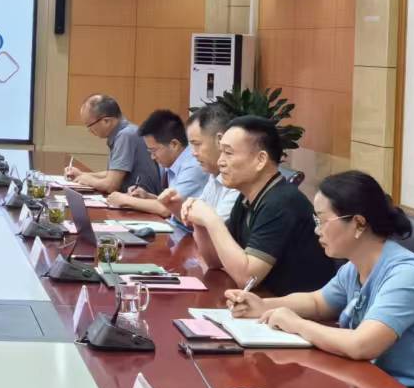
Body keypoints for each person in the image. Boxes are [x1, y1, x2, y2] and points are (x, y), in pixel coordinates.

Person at [224, 171, 414, 388]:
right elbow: (318, 302)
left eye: (322, 221)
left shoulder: (407, 276)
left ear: (358, 224)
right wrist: (263, 306)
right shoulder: (355, 267)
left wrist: (296, 324)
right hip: (377, 383)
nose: (317, 230)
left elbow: (362, 345)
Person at [180, 115, 331, 294]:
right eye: (221, 152)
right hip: (264, 300)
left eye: (228, 153)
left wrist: (211, 219)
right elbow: (215, 261)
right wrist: (199, 223)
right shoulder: (246, 198)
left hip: (292, 307)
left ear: (260, 160)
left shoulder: (281, 202)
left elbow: (247, 279)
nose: (220, 161)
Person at [104, 109, 208, 218]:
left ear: (174, 145)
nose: (152, 157)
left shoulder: (193, 166)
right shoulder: (174, 163)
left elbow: (167, 210)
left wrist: (126, 200)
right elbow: (170, 204)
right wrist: (147, 196)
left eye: (154, 151)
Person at [64, 93, 162, 195]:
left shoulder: (125, 136)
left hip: (140, 200)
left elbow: (111, 185)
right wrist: (83, 174)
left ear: (106, 121)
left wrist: (87, 180)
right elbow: (113, 173)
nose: (89, 131)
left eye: (89, 125)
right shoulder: (126, 131)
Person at [186, 102, 240, 221]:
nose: (193, 153)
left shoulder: (237, 179)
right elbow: (195, 220)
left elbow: (215, 226)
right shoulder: (214, 174)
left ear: (220, 140)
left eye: (197, 144)